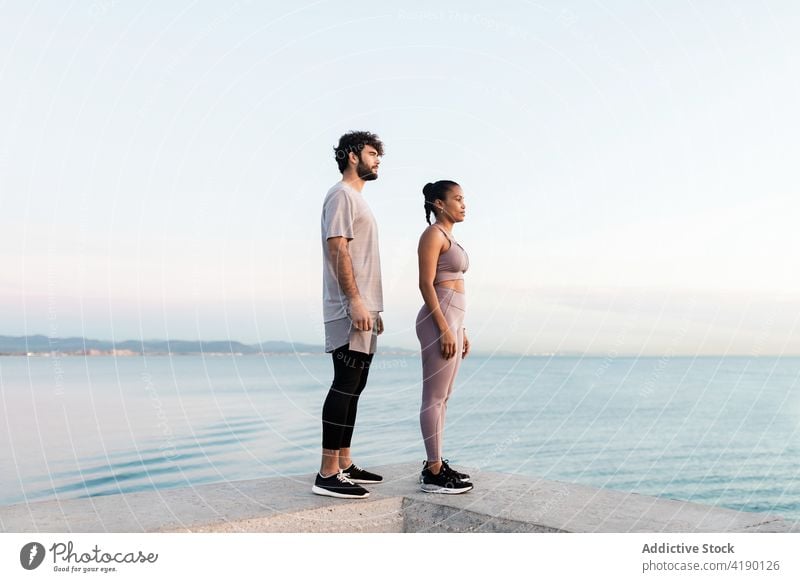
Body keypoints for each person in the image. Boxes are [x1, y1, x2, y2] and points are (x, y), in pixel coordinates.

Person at [312, 131, 386, 499]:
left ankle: (343, 462)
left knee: (356, 385)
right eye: (372, 154)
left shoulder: (356, 199)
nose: (377, 161)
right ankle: (327, 473)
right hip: (348, 306)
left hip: (363, 307)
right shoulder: (341, 194)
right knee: (345, 382)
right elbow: (337, 249)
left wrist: (373, 308)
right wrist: (355, 302)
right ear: (352, 155)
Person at [415, 180, 473, 494]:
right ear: (439, 203)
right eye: (458, 199)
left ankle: (434, 463)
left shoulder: (450, 236)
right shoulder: (433, 235)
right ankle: (433, 472)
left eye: (465, 199)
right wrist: (444, 327)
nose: (464, 204)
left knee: (444, 398)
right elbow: (426, 285)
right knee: (434, 398)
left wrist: (461, 330)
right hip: (438, 322)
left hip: (452, 321)